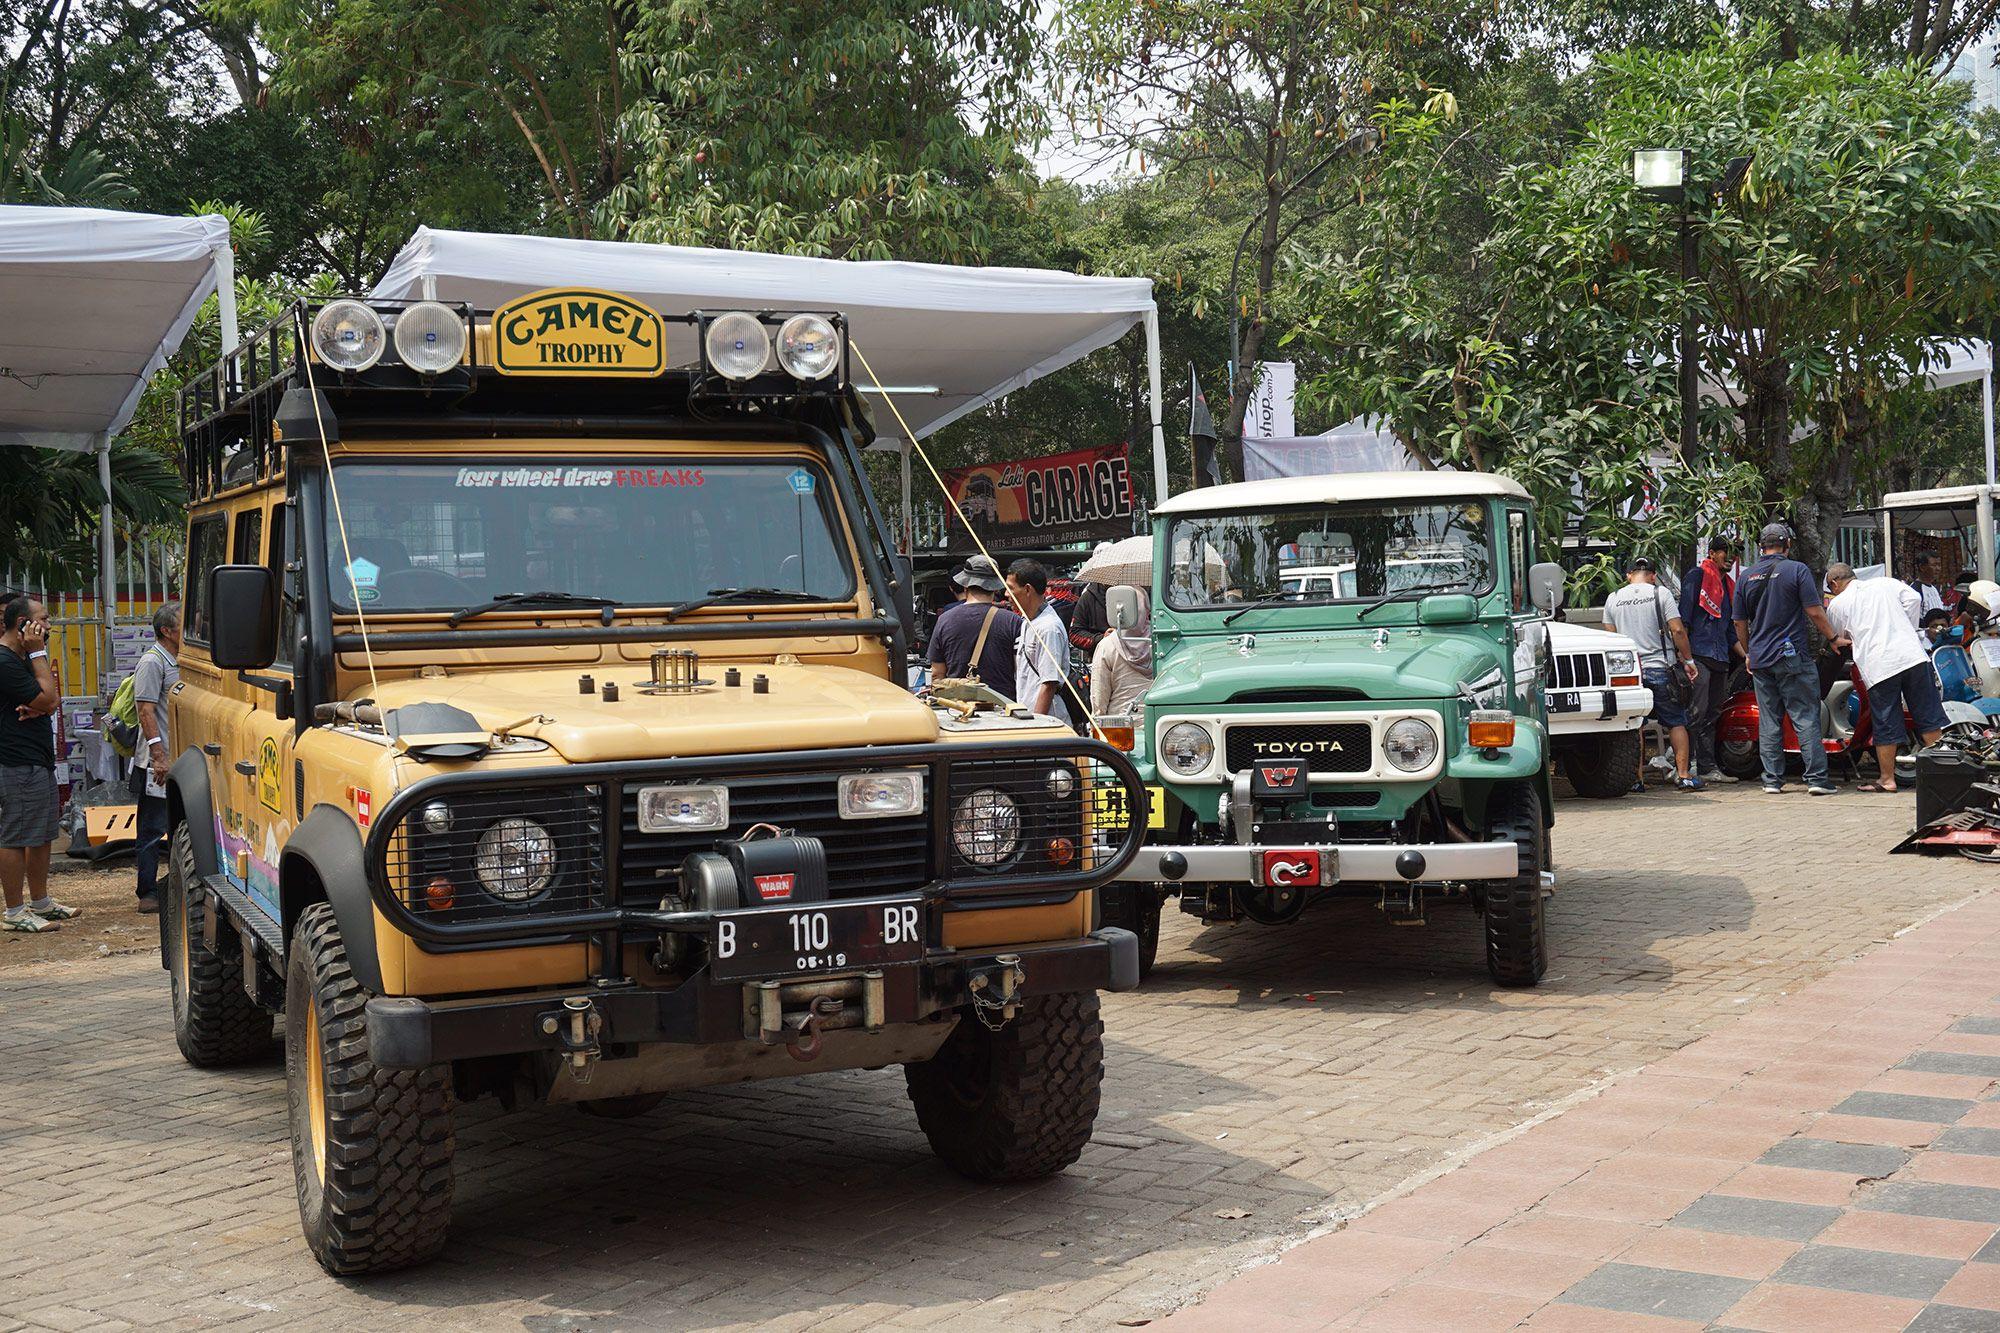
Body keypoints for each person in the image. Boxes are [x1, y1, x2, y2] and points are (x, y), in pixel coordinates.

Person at [1734, 523, 1841, 796]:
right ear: (1788, 545)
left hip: (1760, 659)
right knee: (1805, 716)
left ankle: (1772, 780)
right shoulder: (1797, 570)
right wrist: (1833, 638)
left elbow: (1739, 622)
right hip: (1791, 656)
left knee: (1769, 720)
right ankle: (1816, 779)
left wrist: (1749, 653)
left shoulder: (1746, 577)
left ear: (1761, 546)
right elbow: (1815, 612)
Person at [1823, 564, 1946, 793]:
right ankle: (1945, 775)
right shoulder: (1886, 583)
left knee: (1886, 720)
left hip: (1879, 665)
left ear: (1834, 584)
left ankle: (1887, 779)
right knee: (1928, 716)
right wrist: (1905, 627)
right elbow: (1914, 599)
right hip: (1913, 657)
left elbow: (1839, 637)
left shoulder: (1838, 604)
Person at [0, 596, 77, 931]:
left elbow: (49, 700)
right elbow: (48, 698)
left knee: (42, 833)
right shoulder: (6, 660)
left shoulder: (20, 659)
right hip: (15, 761)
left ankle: (41, 903)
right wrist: (38, 653)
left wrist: (43, 703)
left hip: (37, 759)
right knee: (15, 836)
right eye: (43, 619)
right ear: (21, 625)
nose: (48, 626)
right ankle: (15, 911)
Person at [1603, 558, 1701, 791]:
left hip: (1630, 673)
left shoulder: (1613, 598)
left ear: (1628, 575)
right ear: (1653, 575)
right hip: (1660, 667)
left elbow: (1610, 637)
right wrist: (1688, 660)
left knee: (1635, 724)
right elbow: (1677, 629)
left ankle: (1637, 780)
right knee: (1676, 721)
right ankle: (1684, 776)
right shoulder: (1661, 594)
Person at [131, 604, 182, 913]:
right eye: (182, 626)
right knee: (152, 831)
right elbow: (145, 711)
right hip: (158, 763)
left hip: (181, 761)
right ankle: (147, 892)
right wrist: (158, 756)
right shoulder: (152, 662)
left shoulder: (182, 660)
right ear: (166, 631)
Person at [1678, 537, 1738, 781]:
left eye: (1733, 553)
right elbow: (1684, 618)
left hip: (1720, 655)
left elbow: (1731, 630)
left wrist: (1747, 657)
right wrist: (1686, 658)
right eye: (1725, 552)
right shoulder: (1697, 576)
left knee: (1713, 712)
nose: (1730, 557)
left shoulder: (1729, 586)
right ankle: (1686, 764)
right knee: (1696, 711)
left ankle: (1708, 767)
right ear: (1712, 553)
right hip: (1699, 655)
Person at [926, 556, 1021, 697]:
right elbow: (1020, 672)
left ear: (965, 585)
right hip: (1002, 708)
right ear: (995, 588)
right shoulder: (1013, 621)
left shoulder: (945, 619)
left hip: (959, 708)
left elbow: (937, 674)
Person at [1006, 558, 1073, 725]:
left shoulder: (1048, 627)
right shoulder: (1028, 621)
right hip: (1029, 718)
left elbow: (1049, 683)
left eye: (1010, 588)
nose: (1006, 594)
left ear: (1027, 589)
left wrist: (1036, 727)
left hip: (1046, 724)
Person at [1090, 587, 1153, 718]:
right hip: (1163, 727)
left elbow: (1099, 700)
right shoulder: (1164, 643)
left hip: (1120, 728)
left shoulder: (1106, 646)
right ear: (1148, 611)